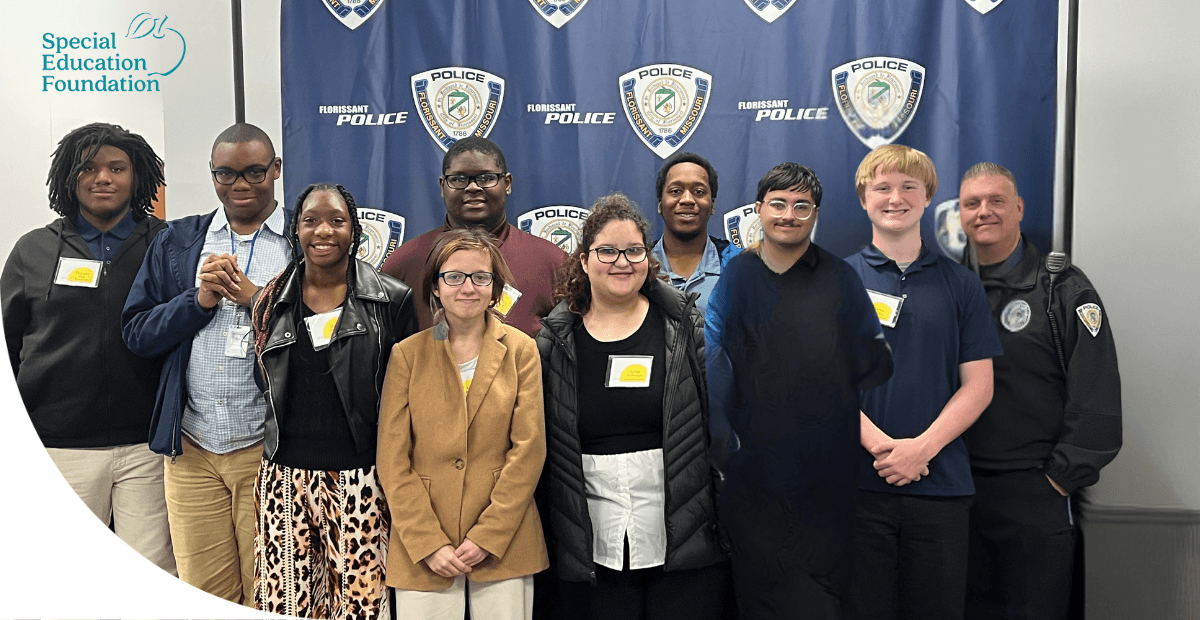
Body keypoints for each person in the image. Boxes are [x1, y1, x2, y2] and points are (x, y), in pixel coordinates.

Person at [706, 162, 894, 619]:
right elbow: (716, 367)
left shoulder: (840, 278)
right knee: (758, 598)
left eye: (801, 206)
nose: (788, 215)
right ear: (758, 209)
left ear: (815, 214)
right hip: (753, 479)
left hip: (823, 481)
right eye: (778, 204)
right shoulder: (735, 278)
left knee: (819, 600)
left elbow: (872, 364)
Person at [537, 193, 730, 620]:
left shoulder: (685, 327)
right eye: (607, 250)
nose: (621, 261)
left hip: (682, 535)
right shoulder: (554, 341)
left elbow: (721, 420)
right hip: (592, 543)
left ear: (649, 257)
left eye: (634, 250)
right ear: (585, 260)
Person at [122, 123, 291, 605]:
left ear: (276, 170)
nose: (240, 185)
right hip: (192, 449)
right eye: (226, 174)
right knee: (204, 595)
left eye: (255, 172)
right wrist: (197, 301)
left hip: (271, 451)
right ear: (212, 175)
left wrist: (258, 301)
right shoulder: (177, 240)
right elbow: (136, 333)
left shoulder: (305, 239)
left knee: (272, 593)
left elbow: (329, 339)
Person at [1, 122, 175, 574]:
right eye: (90, 168)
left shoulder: (167, 245)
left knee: (152, 573)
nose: (104, 178)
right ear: (68, 177)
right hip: (59, 447)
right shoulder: (33, 250)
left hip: (148, 448)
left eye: (117, 168)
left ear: (136, 177)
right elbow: (9, 343)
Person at [844, 145, 1002, 620]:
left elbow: (979, 386)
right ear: (863, 199)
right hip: (856, 486)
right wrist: (883, 448)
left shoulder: (961, 285)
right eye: (883, 188)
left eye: (909, 186)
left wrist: (921, 449)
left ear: (928, 196)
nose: (896, 197)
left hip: (940, 489)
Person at [958, 163, 1122, 620]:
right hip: (957, 494)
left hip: (1036, 493)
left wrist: (1058, 481)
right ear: (960, 214)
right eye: (972, 203)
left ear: (1019, 208)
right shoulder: (949, 288)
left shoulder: (1061, 290)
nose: (984, 212)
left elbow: (1098, 397)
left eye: (996, 201)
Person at [249, 184, 417, 618]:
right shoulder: (269, 300)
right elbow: (263, 379)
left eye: (336, 221)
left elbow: (403, 395)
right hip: (283, 477)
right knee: (286, 604)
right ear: (295, 230)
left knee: (362, 608)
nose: (323, 231)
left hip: (361, 477)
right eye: (310, 221)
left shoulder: (391, 299)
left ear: (354, 231)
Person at [378, 228, 548, 620]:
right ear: (435, 286)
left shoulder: (522, 351)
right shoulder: (407, 355)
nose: (467, 287)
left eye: (480, 277)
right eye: (453, 276)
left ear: (495, 288)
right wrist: (427, 541)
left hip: (504, 541)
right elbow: (392, 459)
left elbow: (528, 450)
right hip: (424, 545)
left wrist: (488, 535)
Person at [381, 136, 566, 337]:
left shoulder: (552, 263)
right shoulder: (403, 265)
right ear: (443, 186)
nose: (473, 187)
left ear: (507, 183)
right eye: (459, 179)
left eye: (486, 178)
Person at [649, 152, 738, 311]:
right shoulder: (638, 263)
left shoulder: (740, 265)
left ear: (712, 205)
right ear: (660, 204)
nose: (687, 200)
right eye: (676, 191)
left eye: (699, 192)